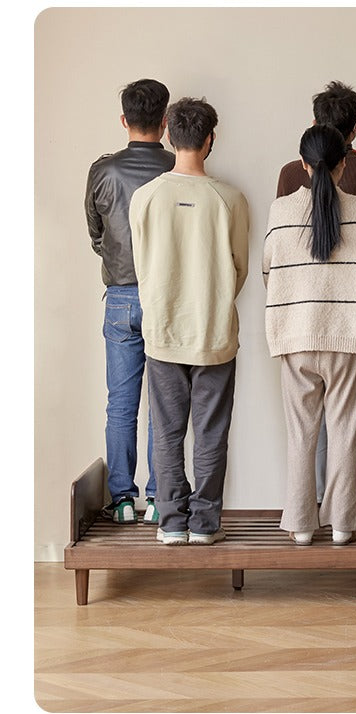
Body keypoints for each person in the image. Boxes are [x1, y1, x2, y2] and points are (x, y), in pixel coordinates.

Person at [129, 97, 249, 545]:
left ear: (168, 133)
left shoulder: (145, 197)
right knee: (211, 433)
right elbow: (238, 268)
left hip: (162, 330)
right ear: (210, 139)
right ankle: (204, 524)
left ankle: (171, 522)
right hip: (213, 332)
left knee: (166, 431)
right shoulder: (231, 199)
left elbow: (142, 265)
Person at [276, 81, 356, 527]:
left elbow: (278, 256)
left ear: (312, 126)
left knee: (305, 422)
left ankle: (312, 509)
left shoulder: (290, 176)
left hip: (299, 316)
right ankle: (353, 506)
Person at [84, 78, 175, 525]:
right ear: (165, 120)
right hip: (166, 296)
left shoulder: (102, 172)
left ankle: (122, 500)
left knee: (120, 404)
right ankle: (158, 498)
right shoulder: (178, 167)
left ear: (124, 120)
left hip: (120, 297)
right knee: (162, 406)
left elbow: (96, 234)